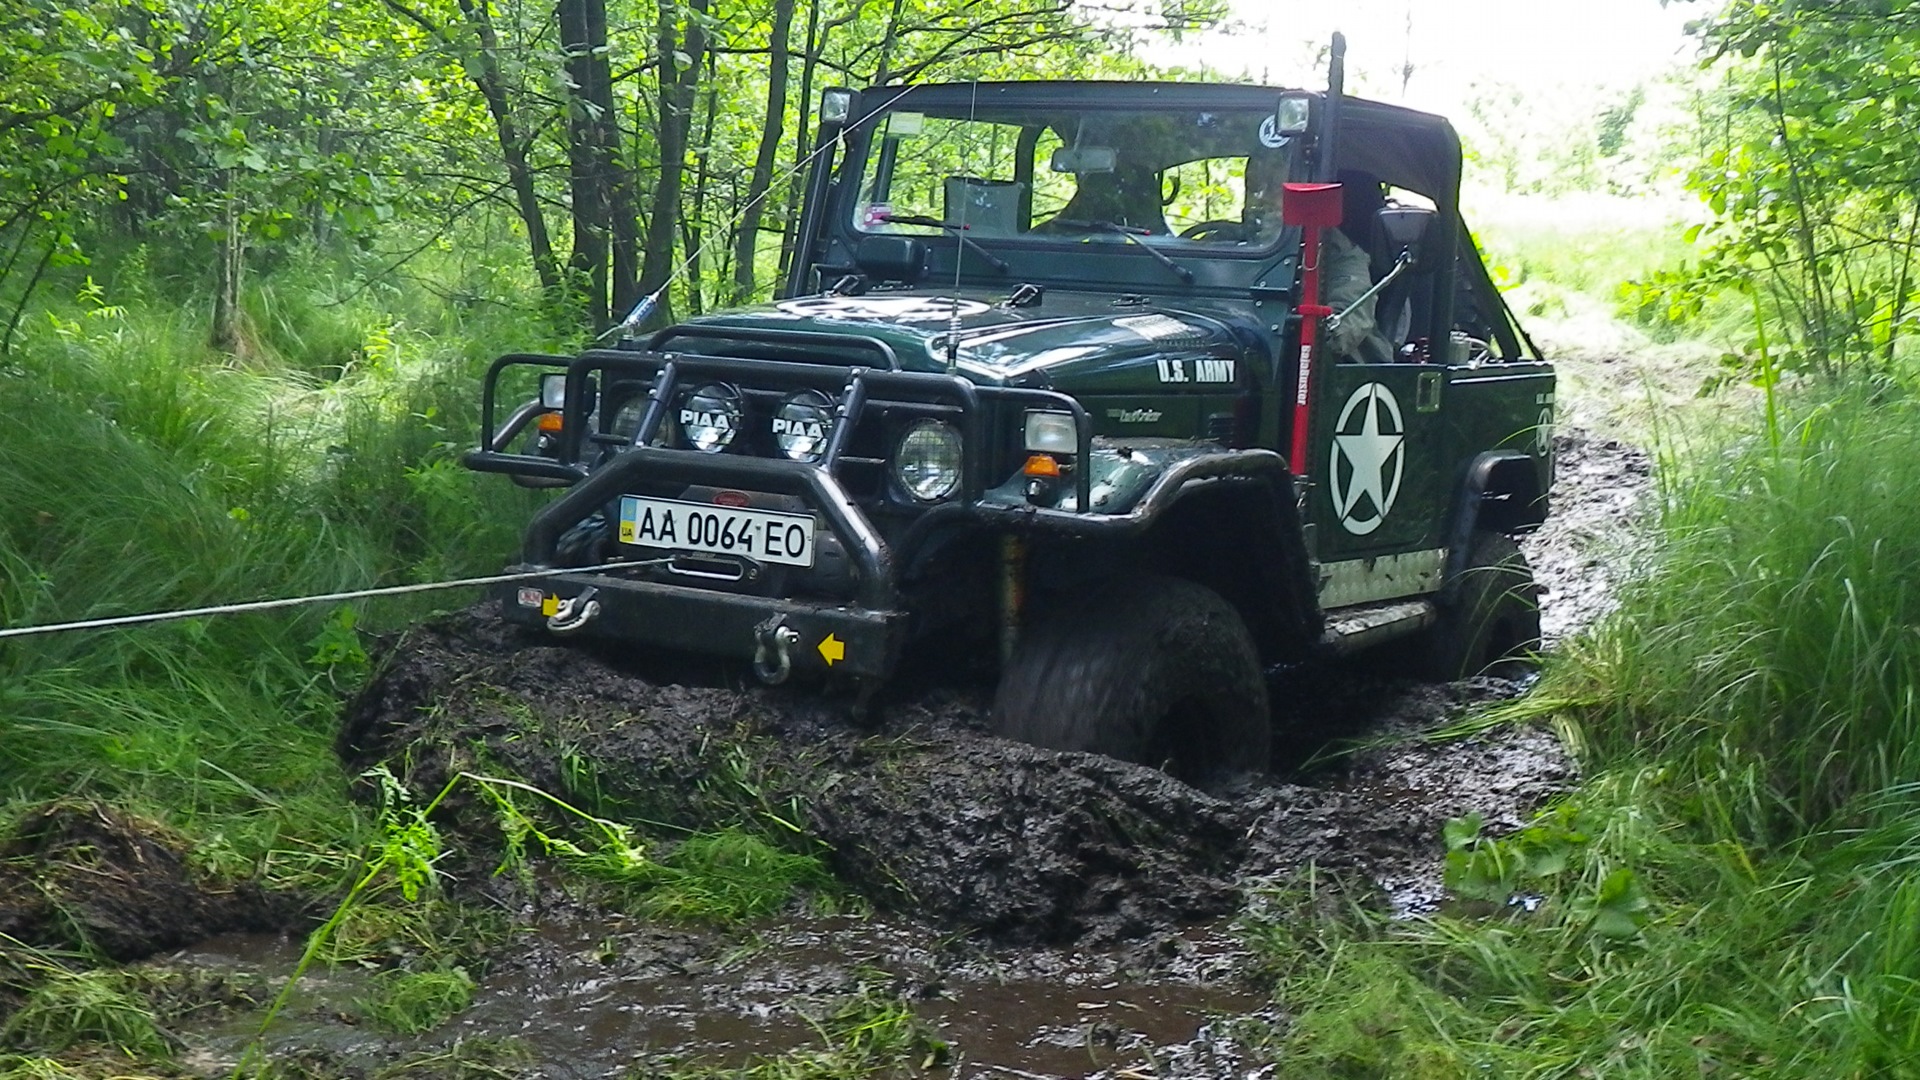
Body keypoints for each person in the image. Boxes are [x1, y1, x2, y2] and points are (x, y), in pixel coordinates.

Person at [1246, 159, 1395, 365]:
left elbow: (1350, 315)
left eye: (1273, 188)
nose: (1262, 199)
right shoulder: (1237, 244)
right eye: (1255, 190)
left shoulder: (1338, 253)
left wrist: (1318, 330)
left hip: (1332, 369)